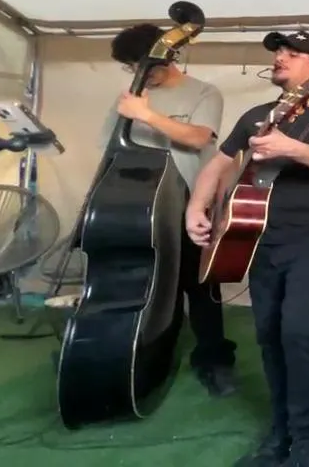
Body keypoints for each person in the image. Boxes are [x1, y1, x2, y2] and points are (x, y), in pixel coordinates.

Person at [184, 30, 309, 467]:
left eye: (293, 53)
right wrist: (196, 207)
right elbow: (219, 163)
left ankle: (307, 444)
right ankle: (280, 435)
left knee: (296, 330)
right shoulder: (256, 115)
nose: (280, 57)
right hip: (256, 238)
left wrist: (290, 147)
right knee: (268, 333)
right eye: (278, 52)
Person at [103, 23, 238, 398]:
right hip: (141, 205)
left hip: (189, 203)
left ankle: (214, 360)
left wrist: (145, 114)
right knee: (154, 285)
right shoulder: (132, 95)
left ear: (166, 56)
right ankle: (150, 354)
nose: (138, 73)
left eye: (141, 64)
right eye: (131, 67)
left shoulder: (204, 92)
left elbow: (197, 138)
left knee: (201, 286)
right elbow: (111, 149)